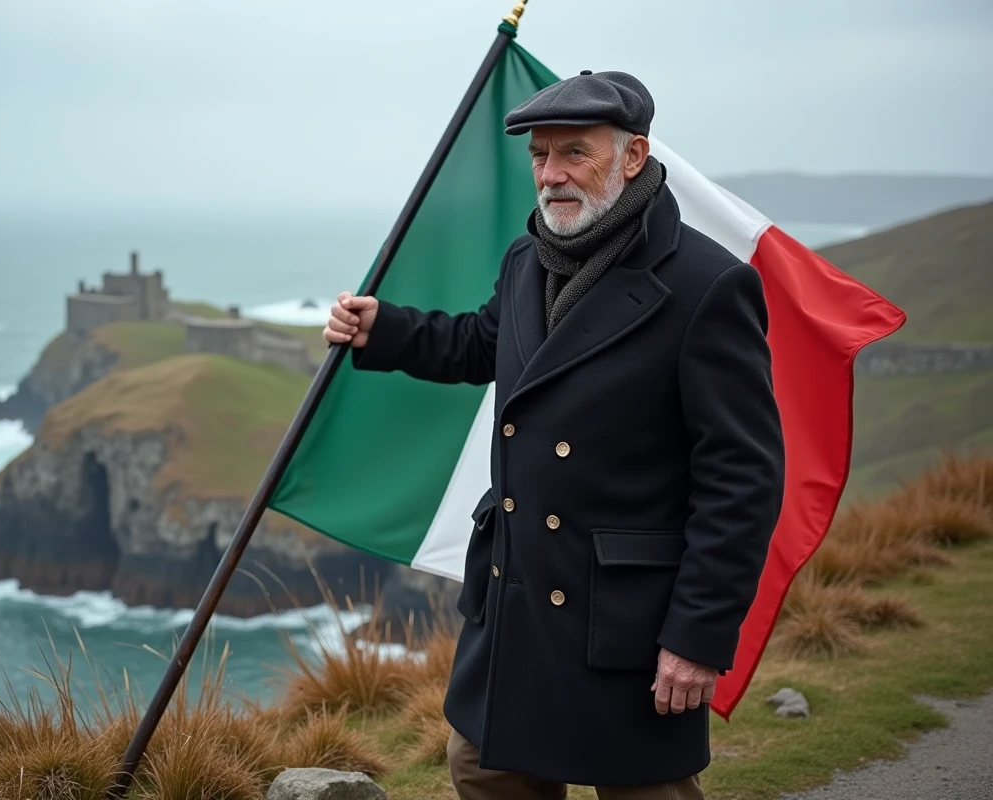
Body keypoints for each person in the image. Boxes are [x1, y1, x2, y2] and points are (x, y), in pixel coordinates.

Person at [323, 70, 785, 800]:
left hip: (623, 623)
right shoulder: (527, 257)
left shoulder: (707, 285)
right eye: (541, 156)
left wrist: (697, 638)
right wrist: (387, 329)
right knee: (482, 769)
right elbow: (482, 344)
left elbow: (743, 481)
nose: (552, 175)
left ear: (633, 156)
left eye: (575, 153)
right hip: (515, 598)